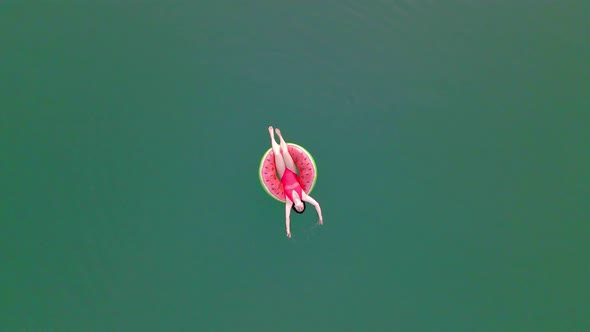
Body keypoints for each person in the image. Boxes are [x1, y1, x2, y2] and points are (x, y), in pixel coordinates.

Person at [268, 126, 323, 238]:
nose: (300, 208)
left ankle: (272, 136)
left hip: (282, 173)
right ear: (303, 204)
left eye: (298, 210)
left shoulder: (288, 202)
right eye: (302, 208)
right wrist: (320, 217)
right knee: (285, 153)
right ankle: (280, 135)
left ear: (295, 207)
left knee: (278, 154)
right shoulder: (303, 196)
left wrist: (288, 230)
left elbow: (287, 217)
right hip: (292, 170)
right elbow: (316, 204)